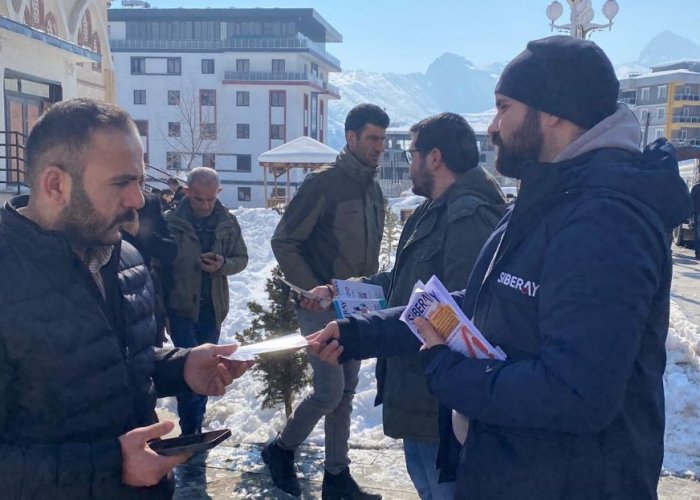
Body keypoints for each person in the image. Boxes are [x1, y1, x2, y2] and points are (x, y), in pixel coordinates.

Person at [308, 36, 692, 500]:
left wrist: (444, 368)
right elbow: (487, 302)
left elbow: (576, 393)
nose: (492, 127)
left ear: (552, 110)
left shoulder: (604, 220)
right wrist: (360, 333)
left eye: (503, 107)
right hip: (516, 473)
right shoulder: (549, 197)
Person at [0, 97, 253, 498]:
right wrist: (111, 465)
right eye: (122, 182)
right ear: (55, 185)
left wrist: (182, 367)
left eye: (139, 180)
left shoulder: (126, 258)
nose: (138, 199)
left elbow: (112, 360)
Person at [307, 112, 506, 499]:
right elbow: (404, 280)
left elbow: (458, 315)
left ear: (434, 157)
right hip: (416, 390)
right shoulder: (435, 207)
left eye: (412, 152)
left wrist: (363, 335)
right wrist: (343, 291)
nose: (406, 160)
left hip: (439, 405)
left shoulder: (469, 217)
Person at [265, 103, 388, 499]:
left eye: (383, 139)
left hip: (357, 307)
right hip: (320, 308)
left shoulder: (373, 188)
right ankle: (280, 449)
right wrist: (311, 288)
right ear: (350, 138)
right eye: (372, 138)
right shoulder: (323, 184)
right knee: (329, 391)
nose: (379, 147)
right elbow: (284, 240)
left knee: (347, 393)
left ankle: (336, 476)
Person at [165, 167, 248, 436]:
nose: (205, 205)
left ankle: (195, 426)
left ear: (218, 194)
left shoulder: (228, 222)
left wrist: (223, 264)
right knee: (188, 368)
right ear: (187, 192)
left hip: (212, 308)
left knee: (208, 367)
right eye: (199, 199)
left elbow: (241, 259)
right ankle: (191, 430)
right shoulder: (170, 222)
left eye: (211, 199)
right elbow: (158, 266)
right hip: (180, 308)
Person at [122, 190, 178, 347]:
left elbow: (171, 250)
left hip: (150, 299)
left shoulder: (150, 203)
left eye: (141, 181)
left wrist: (142, 235)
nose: (139, 199)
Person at [691, 180, 700, 259]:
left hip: (697, 214)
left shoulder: (696, 187)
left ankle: (698, 253)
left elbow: (691, 202)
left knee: (698, 235)